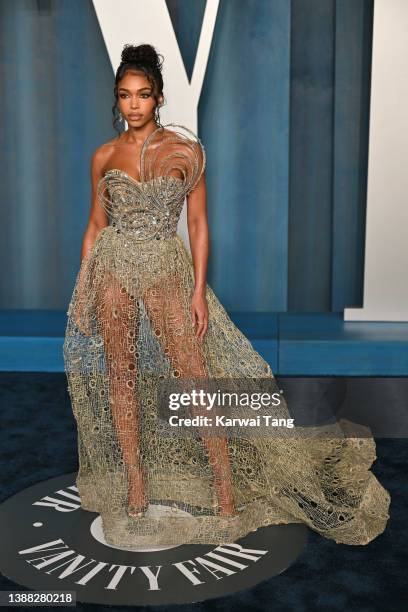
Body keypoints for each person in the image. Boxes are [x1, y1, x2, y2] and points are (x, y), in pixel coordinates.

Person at [63, 43, 390, 548]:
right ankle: (134, 484)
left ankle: (224, 486)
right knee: (120, 379)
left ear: (159, 98)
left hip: (166, 270)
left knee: (196, 378)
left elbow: (197, 224)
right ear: (116, 99)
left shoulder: (185, 152)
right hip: (112, 271)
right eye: (125, 95)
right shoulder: (104, 156)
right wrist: (83, 290)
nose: (133, 105)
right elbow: (93, 225)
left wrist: (197, 292)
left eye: (143, 95)